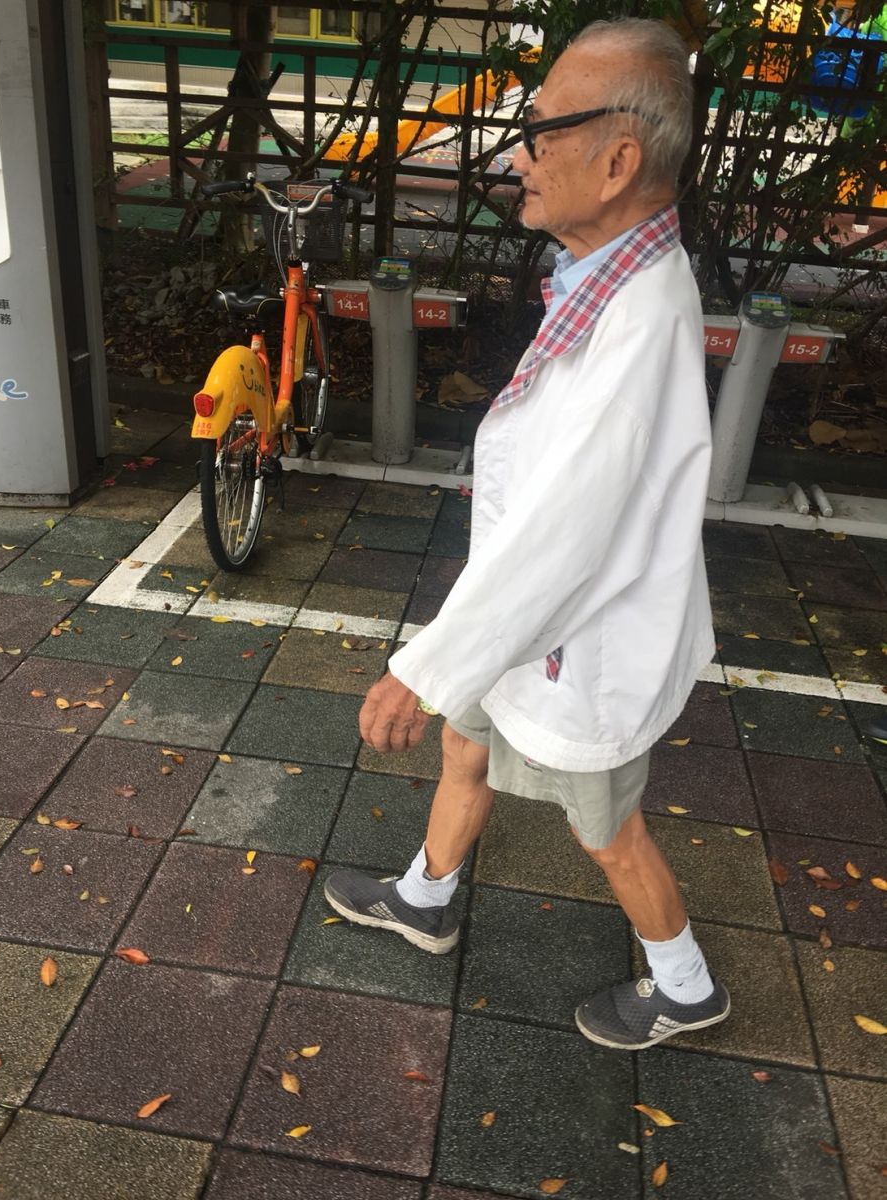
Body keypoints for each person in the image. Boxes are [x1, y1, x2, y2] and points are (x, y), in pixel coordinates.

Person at [324, 17, 730, 1051]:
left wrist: (421, 667)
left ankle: (685, 985)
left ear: (619, 160)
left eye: (541, 132)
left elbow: (568, 535)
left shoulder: (643, 318)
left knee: (606, 827)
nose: (520, 156)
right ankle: (425, 897)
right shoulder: (610, 274)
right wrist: (456, 659)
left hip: (580, 639)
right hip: (528, 622)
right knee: (467, 743)